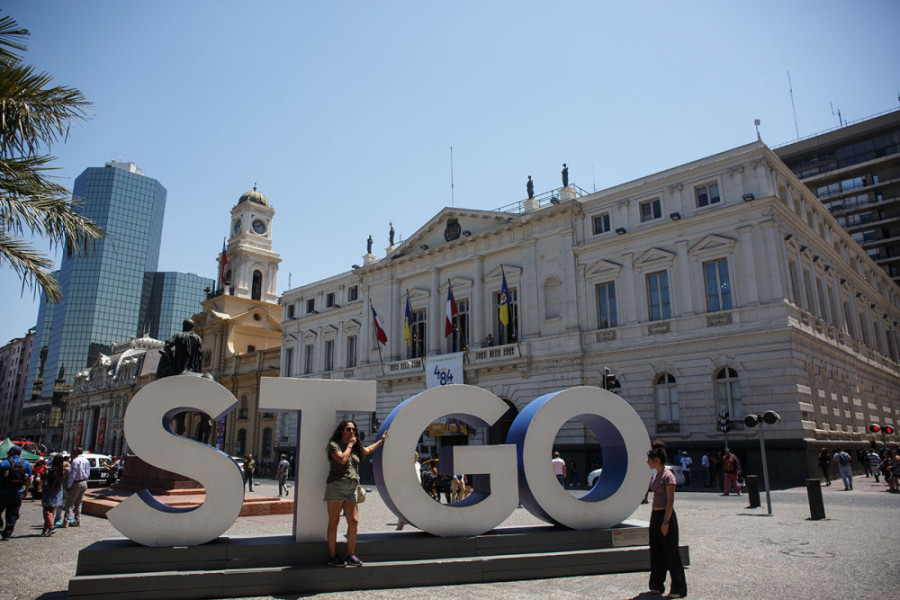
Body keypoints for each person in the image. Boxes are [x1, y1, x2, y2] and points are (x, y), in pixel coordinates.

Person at [325, 419, 388, 567]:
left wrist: (381, 442)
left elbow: (367, 450)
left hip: (352, 487)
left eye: (354, 430)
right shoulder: (334, 445)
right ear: (341, 431)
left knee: (354, 521)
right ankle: (333, 556)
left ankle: (350, 554)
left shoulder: (355, 447)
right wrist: (350, 445)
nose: (352, 432)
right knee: (334, 522)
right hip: (336, 485)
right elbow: (342, 459)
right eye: (348, 429)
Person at [646, 440, 687, 598]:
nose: (647, 462)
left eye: (649, 459)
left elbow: (670, 501)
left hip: (665, 515)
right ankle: (656, 584)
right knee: (656, 550)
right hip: (655, 514)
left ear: (656, 460)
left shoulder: (668, 475)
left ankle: (678, 588)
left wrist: (666, 521)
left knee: (671, 552)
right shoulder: (656, 474)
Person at [1, 445, 33, 540]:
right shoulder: (26, 464)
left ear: (11, 453)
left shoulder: (4, 463)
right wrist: (26, 490)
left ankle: (0, 526)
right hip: (17, 492)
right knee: (13, 513)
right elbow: (29, 478)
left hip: (3, 491)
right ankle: (7, 533)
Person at [62, 447, 89, 527]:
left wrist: (69, 486)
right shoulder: (86, 460)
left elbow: (72, 475)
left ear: (76, 453)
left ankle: (66, 521)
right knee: (79, 502)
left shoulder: (75, 461)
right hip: (84, 482)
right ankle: (78, 520)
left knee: (69, 502)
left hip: (76, 483)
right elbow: (88, 472)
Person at [41, 454, 66, 536]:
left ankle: (51, 527)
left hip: (49, 489)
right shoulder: (62, 470)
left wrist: (39, 486)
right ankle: (45, 529)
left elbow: (43, 478)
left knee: (46, 509)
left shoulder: (50, 469)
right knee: (52, 510)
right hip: (58, 490)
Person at [397, 452, 421, 530]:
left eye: (416, 456)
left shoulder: (418, 464)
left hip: (417, 489)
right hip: (409, 488)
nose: (415, 458)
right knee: (404, 508)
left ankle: (402, 525)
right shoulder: (407, 465)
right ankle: (400, 526)